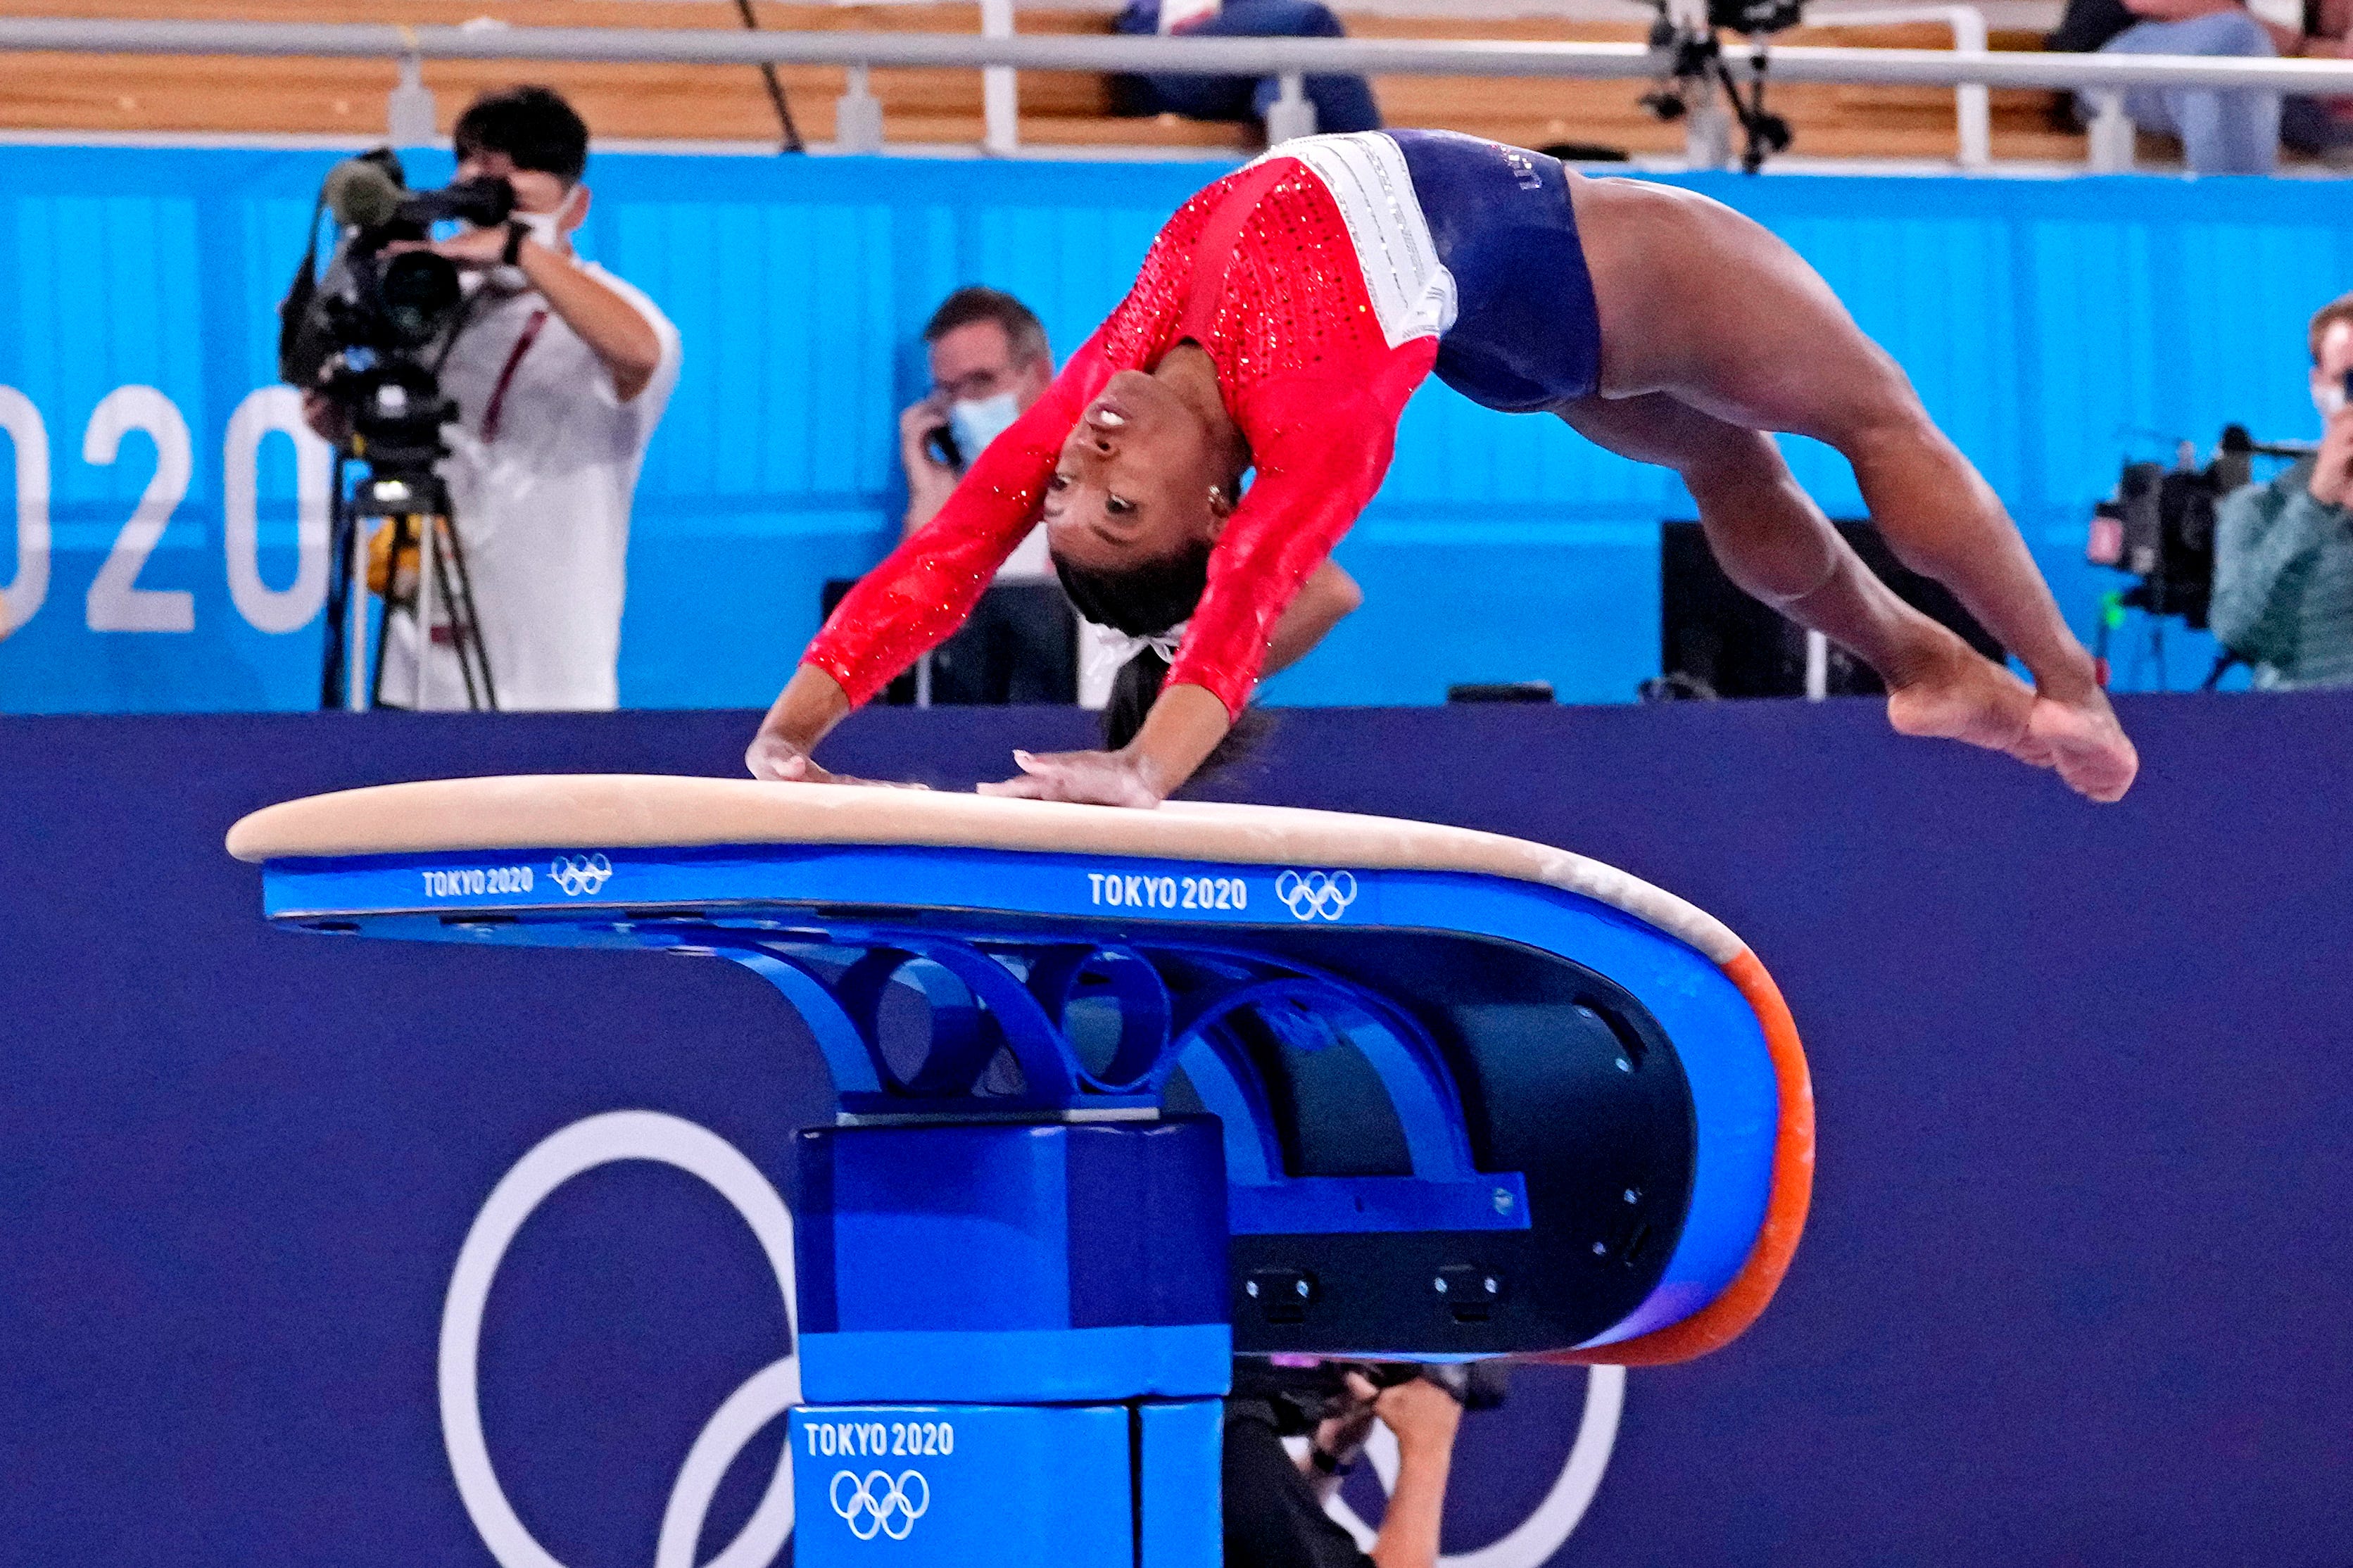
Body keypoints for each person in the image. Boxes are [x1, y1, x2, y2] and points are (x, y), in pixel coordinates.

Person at [746, 129, 2138, 807]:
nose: (1083, 457)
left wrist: (790, 734)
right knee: (1882, 423)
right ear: (1213, 504)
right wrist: (1146, 772)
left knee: (1739, 480)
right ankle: (2067, 693)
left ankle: (1927, 668)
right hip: (1602, 267)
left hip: (1509, 336)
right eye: (1121, 508)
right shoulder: (1313, 419)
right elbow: (1252, 603)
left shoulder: (1112, 377)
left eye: (1072, 501)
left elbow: (937, 564)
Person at [303, 84, 681, 710]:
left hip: (549, 679)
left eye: (516, 201)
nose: (494, 221)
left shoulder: (616, 315)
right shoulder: (434, 307)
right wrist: (339, 416)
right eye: (479, 199)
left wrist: (518, 250)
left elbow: (642, 355)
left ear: (576, 207)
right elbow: (404, 428)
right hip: (416, 666)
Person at [2209, 295, 2353, 688]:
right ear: (2319, 386)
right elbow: (2239, 635)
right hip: (2307, 736)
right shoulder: (2258, 509)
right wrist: (2314, 505)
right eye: (2352, 380)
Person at [2045, 0, 2353, 174]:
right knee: (2234, 43)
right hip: (2114, 57)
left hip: (2223, 59)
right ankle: (2234, 226)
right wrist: (2298, 45)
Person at [1225, 1369, 1461, 1568]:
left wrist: (1326, 1461)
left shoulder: (1221, 1431)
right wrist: (1426, 1447)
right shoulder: (1230, 1434)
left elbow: (1263, 1547)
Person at [1113, 0, 1382, 137]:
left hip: (1237, 71)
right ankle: (1378, 182)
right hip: (1158, 61)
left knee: (1291, 83)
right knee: (1309, 24)